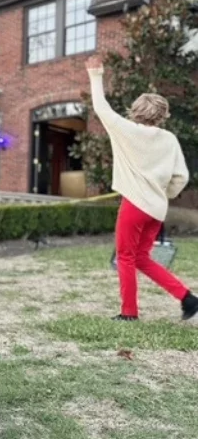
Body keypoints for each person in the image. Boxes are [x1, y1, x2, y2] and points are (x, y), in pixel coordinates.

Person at [85, 55, 197, 321]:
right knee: (141, 258)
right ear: (162, 114)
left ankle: (129, 312)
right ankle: (187, 299)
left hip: (134, 205)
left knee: (125, 257)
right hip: (157, 209)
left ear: (136, 111)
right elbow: (180, 177)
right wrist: (164, 193)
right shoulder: (169, 139)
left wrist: (96, 75)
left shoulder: (126, 131)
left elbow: (101, 108)